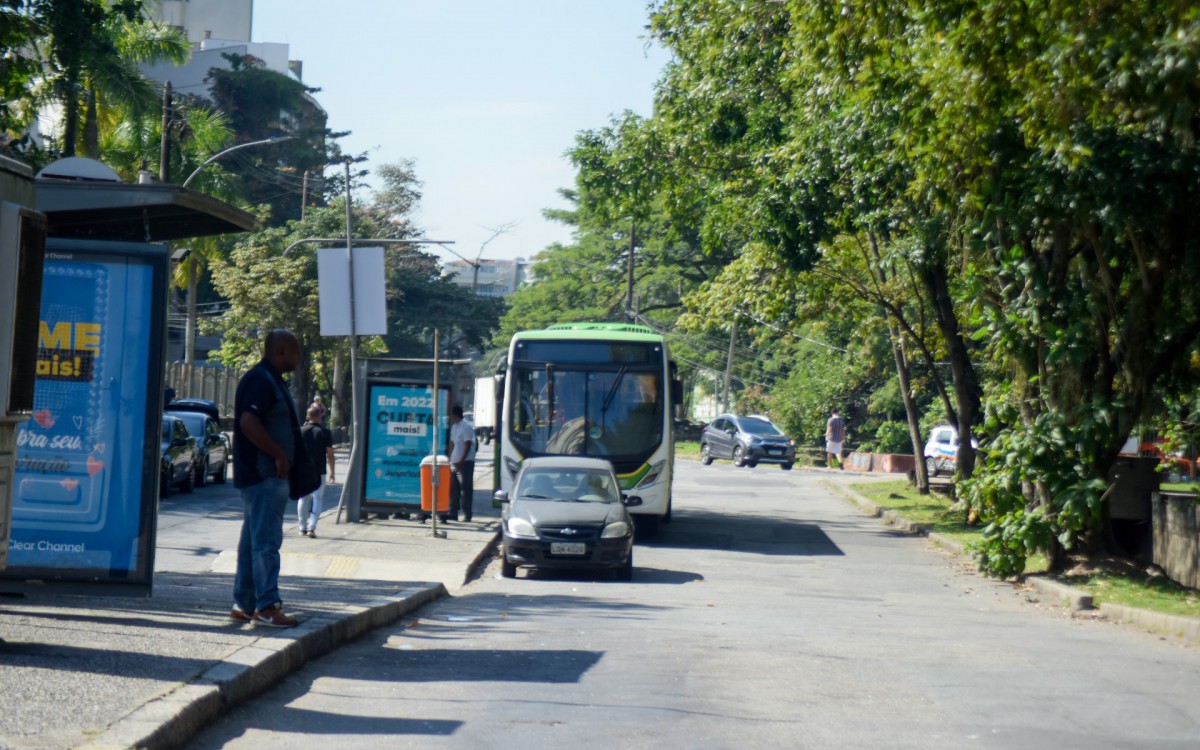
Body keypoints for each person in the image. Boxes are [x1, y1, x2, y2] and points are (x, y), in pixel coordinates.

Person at [230, 329, 302, 628]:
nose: (298, 358)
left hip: (261, 476)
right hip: (265, 475)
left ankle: (245, 604)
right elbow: (248, 421)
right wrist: (279, 454)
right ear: (281, 351)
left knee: (252, 542)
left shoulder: (268, 379)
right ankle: (267, 606)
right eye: (295, 351)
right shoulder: (262, 380)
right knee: (266, 543)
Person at [297, 405, 335, 538]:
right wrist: (332, 472)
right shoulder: (325, 432)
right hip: (319, 470)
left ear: (307, 417)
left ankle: (302, 527)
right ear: (319, 417)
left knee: (303, 498)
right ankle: (311, 527)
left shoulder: (300, 431)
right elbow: (330, 454)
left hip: (302, 469)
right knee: (317, 498)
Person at [448, 404, 477, 521]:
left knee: (466, 488)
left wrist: (462, 460)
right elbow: (452, 443)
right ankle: (453, 512)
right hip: (455, 461)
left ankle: (467, 514)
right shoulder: (454, 427)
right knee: (454, 488)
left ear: (455, 415)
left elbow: (468, 444)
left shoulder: (466, 426)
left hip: (465, 462)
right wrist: (449, 457)